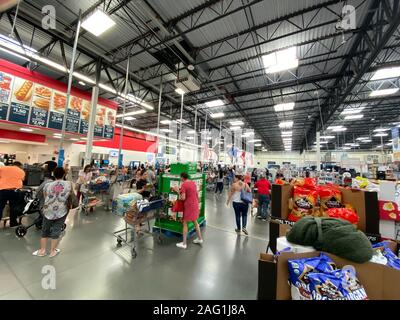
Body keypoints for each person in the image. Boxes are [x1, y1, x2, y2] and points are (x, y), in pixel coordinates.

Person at [32, 167, 72, 258]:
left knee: (45, 229)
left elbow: (46, 197)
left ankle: (42, 250)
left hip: (48, 210)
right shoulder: (68, 184)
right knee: (57, 229)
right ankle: (52, 251)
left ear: (53, 174)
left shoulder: (47, 185)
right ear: (64, 174)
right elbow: (69, 196)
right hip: (62, 210)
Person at [174, 172, 203, 249]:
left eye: (180, 177)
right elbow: (195, 193)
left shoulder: (184, 184)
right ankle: (200, 239)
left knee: (185, 223)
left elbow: (183, 198)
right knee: (195, 221)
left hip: (189, 206)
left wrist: (177, 190)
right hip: (195, 204)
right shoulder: (192, 182)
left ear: (182, 177)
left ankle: (184, 243)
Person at [0, 161, 26, 227]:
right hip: (15, 191)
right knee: (14, 207)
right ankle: (13, 223)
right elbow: (23, 179)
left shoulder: (3, 168)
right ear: (19, 166)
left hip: (2, 190)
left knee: (0, 207)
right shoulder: (21, 171)